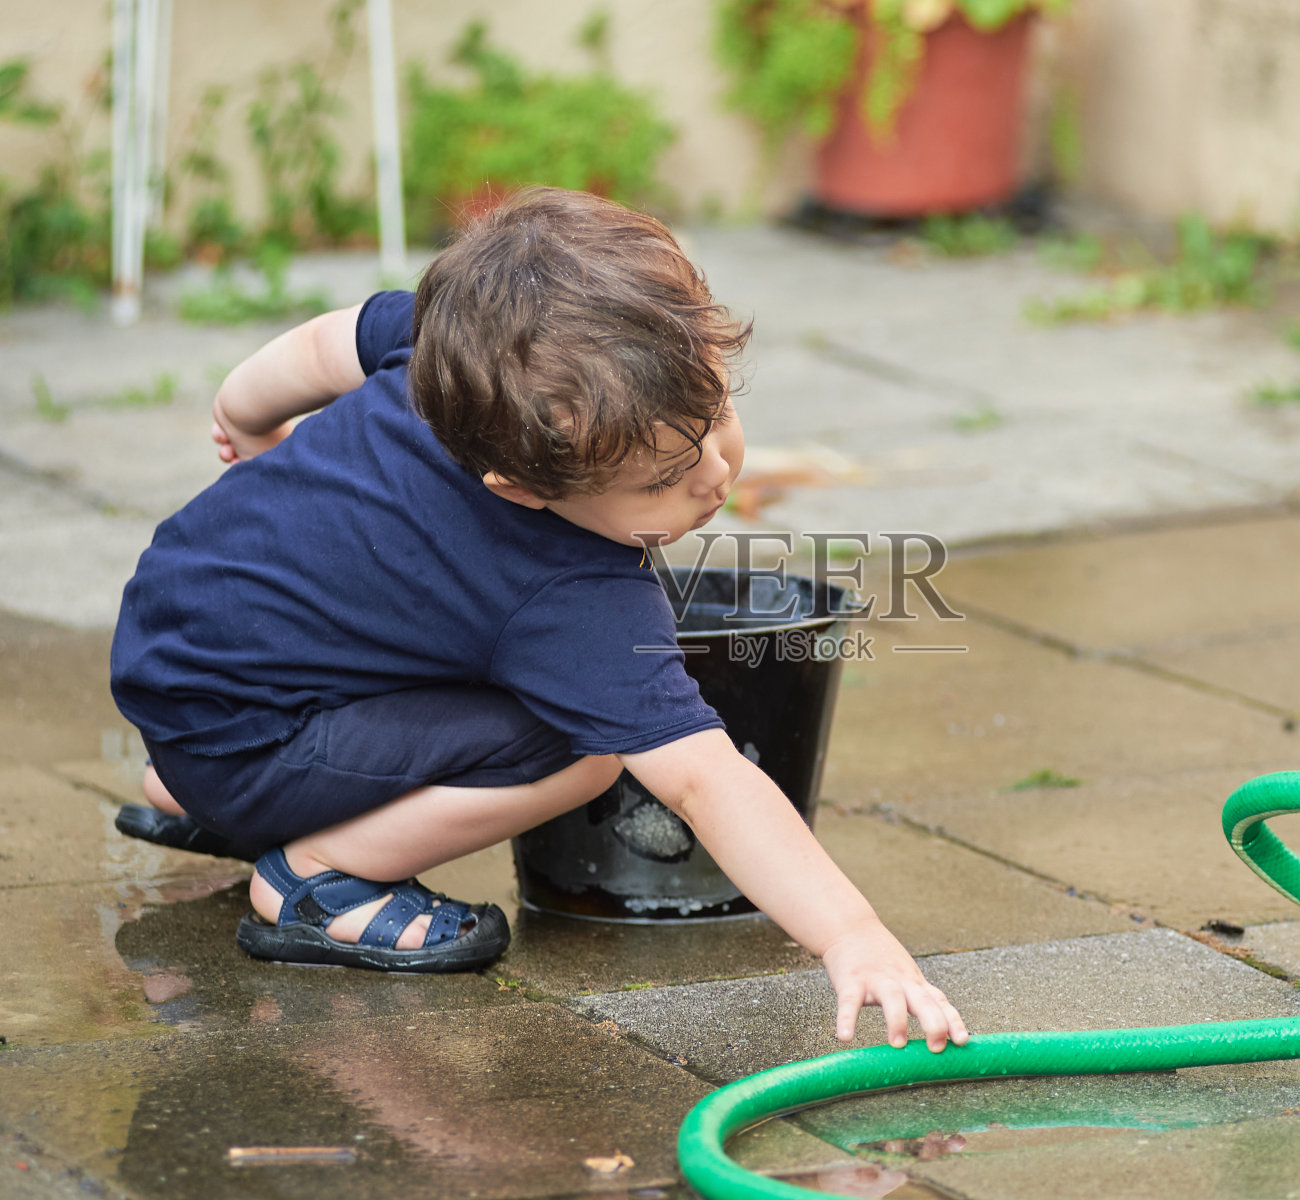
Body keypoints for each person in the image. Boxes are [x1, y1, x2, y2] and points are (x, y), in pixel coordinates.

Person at [109, 187, 968, 1053]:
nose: (716, 477)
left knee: (408, 638)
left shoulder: (459, 350)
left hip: (177, 645)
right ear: (521, 489)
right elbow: (706, 779)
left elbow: (324, 341)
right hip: (246, 729)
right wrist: (850, 934)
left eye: (715, 421)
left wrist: (243, 416)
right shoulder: (571, 596)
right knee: (581, 751)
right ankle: (315, 873)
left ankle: (195, 783)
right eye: (660, 483)